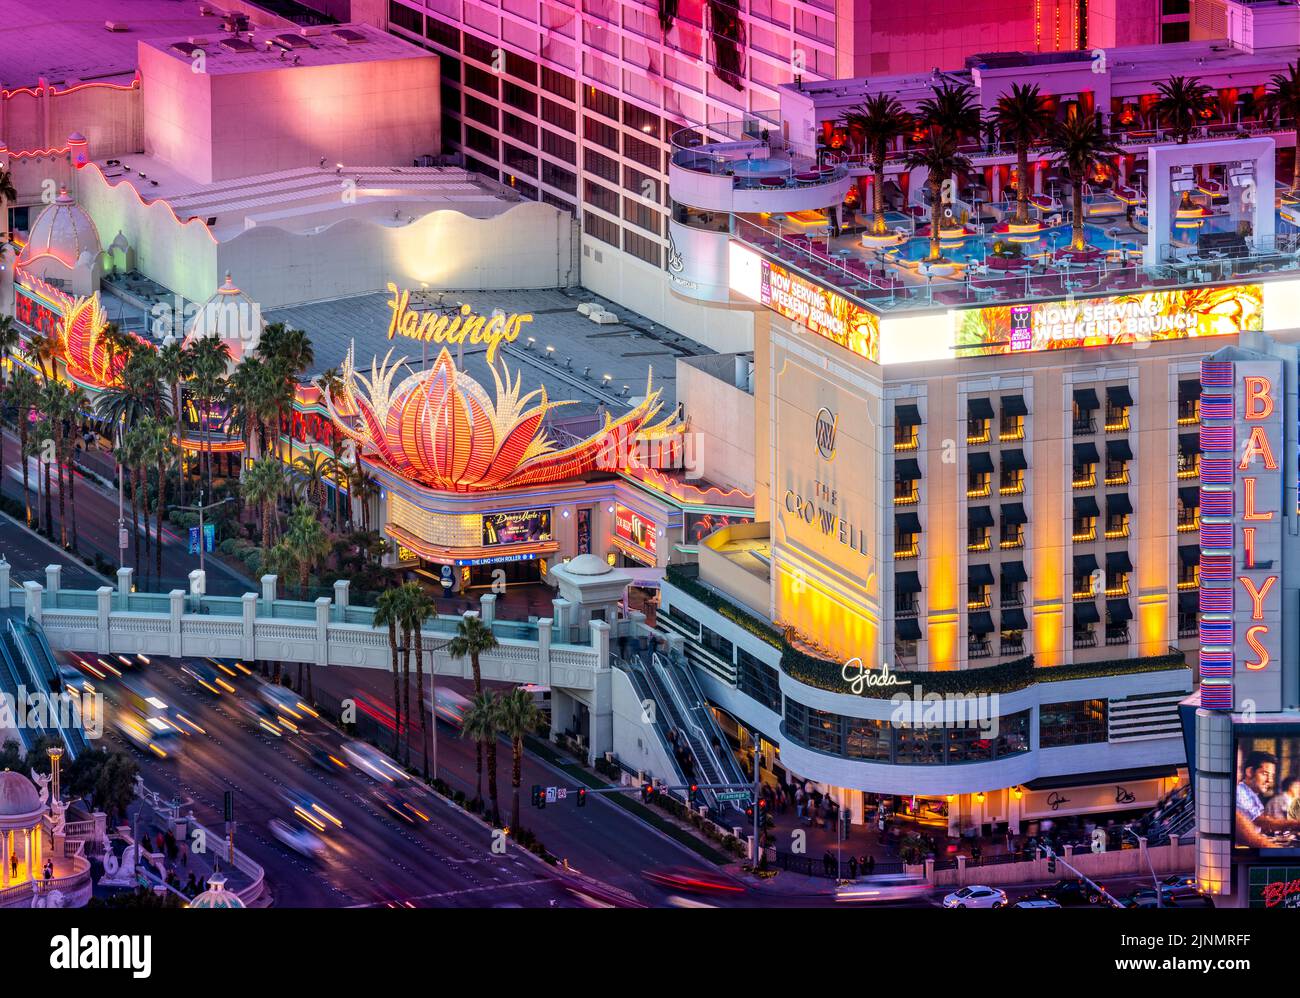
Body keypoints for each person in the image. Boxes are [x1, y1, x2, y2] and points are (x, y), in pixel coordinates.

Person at [1237, 750, 1300, 847]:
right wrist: (1296, 824)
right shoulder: (1240, 792)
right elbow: (1261, 821)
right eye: (1265, 774)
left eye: (1272, 776)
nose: (1269, 780)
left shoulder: (1252, 794)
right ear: (1249, 772)